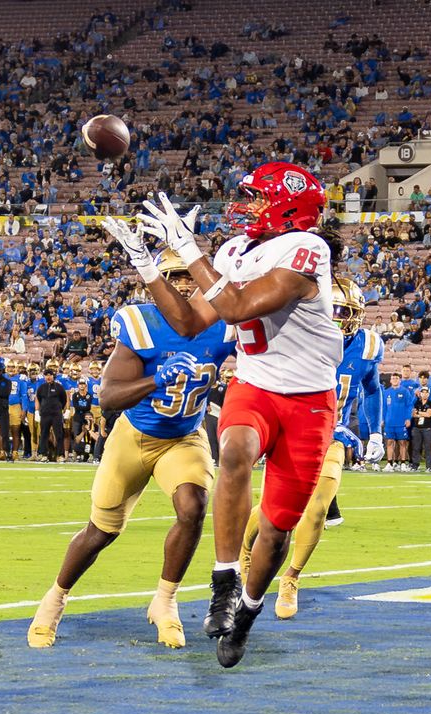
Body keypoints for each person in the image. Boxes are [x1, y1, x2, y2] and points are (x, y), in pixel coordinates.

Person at [121, 166, 343, 668]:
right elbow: (188, 320)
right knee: (236, 450)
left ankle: (245, 611)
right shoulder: (233, 251)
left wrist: (192, 251)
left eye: (258, 198)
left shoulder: (308, 248)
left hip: (309, 401)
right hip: (255, 385)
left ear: (290, 206)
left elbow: (240, 307)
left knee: (278, 529)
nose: (247, 207)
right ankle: (224, 580)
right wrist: (150, 266)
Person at [28, 251, 234, 649]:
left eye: (193, 276)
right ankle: (54, 599)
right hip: (135, 436)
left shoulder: (224, 324)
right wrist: (156, 379)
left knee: (193, 506)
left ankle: (165, 601)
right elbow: (108, 396)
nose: (188, 285)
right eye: (177, 277)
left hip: (184, 437)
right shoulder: (142, 323)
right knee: (100, 532)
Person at [239, 274, 383, 620]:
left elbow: (373, 388)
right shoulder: (297, 335)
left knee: (318, 508)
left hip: (332, 439)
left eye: (346, 311)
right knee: (279, 507)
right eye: (333, 309)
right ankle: (244, 555)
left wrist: (374, 432)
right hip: (295, 429)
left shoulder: (367, 345)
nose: (339, 318)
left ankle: (291, 578)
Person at [382, 372, 414, 470]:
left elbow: (409, 406)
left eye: (396, 378)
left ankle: (403, 463)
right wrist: (383, 419)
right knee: (389, 442)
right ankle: (389, 463)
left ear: (400, 380)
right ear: (390, 380)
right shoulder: (386, 392)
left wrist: (408, 418)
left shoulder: (405, 391)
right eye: (393, 378)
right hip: (389, 422)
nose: (395, 380)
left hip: (401, 422)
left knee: (402, 442)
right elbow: (383, 407)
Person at [34, 367, 67, 461]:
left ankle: (60, 455)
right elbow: (39, 399)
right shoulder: (41, 388)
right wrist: (38, 411)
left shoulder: (59, 387)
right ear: (44, 376)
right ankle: (43, 454)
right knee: (43, 434)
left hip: (56, 414)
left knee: (59, 434)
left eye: (50, 375)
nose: (48, 377)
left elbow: (63, 400)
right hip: (45, 414)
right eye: (46, 375)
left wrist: (59, 409)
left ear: (53, 376)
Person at [410, 384, 431, 472]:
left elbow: (429, 414)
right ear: (420, 394)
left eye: (426, 392)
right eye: (422, 392)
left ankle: (429, 467)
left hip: (427, 428)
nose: (424, 394)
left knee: (428, 447)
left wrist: (418, 413)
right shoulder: (417, 403)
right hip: (417, 427)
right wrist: (420, 413)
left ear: (428, 394)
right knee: (416, 447)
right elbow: (413, 414)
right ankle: (415, 466)